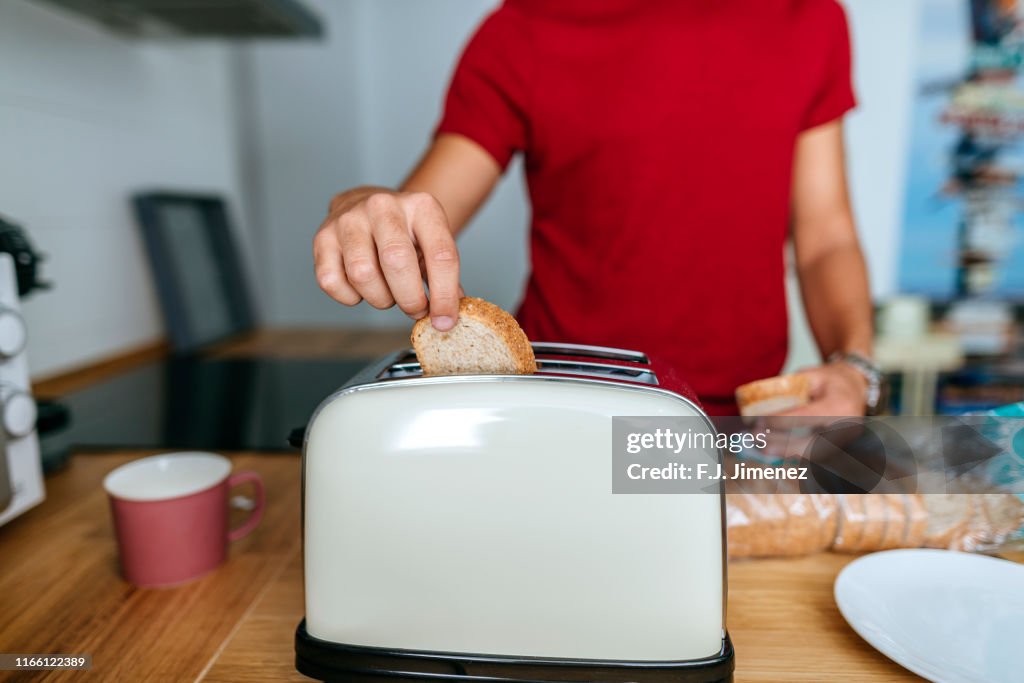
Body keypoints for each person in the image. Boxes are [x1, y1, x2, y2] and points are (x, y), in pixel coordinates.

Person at [313, 0, 877, 416]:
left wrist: (855, 368)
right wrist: (361, 208)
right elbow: (412, 224)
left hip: (737, 420)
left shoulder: (810, 19)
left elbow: (826, 236)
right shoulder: (522, 31)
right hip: (562, 407)